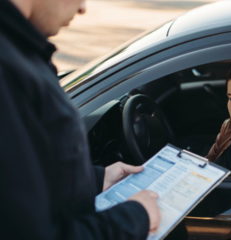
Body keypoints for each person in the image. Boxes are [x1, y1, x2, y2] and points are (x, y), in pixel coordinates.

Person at [0, 0, 160, 239]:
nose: (83, 8)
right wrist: (135, 217)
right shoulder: (8, 70)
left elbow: (35, 169)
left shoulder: (18, 51)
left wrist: (96, 179)